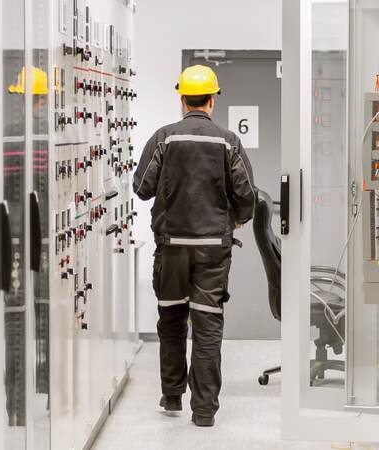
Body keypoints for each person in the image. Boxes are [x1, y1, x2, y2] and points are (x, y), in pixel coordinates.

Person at [133, 65, 256, 427]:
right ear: (213, 100)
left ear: (181, 98)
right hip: (213, 250)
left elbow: (142, 188)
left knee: (171, 320)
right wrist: (236, 219)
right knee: (207, 325)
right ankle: (204, 412)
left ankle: (172, 396)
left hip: (171, 248)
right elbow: (246, 193)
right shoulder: (227, 140)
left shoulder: (163, 138)